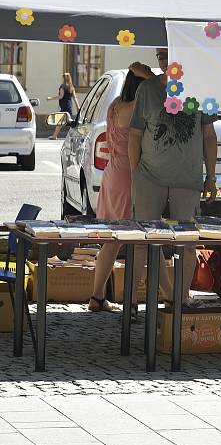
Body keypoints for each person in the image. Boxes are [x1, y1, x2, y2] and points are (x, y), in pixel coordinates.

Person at [128, 48, 218, 307]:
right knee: (141, 240)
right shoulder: (148, 89)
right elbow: (134, 134)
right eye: (160, 56)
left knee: (187, 243)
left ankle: (178, 300)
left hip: (187, 180)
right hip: (149, 177)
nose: (165, 61)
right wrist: (136, 173)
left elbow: (209, 134)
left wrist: (211, 176)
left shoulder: (201, 87)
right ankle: (131, 301)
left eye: (169, 54)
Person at [88, 68, 147, 312]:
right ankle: (131, 298)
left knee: (111, 241)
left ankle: (97, 296)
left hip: (112, 172)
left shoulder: (115, 104)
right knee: (135, 239)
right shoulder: (136, 108)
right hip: (129, 174)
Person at [47, 72, 76, 139]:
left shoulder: (62, 86)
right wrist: (78, 107)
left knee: (65, 122)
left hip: (64, 107)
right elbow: (75, 98)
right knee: (64, 122)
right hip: (69, 107)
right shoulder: (71, 87)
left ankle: (55, 136)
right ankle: (55, 136)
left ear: (63, 78)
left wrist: (50, 98)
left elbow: (61, 96)